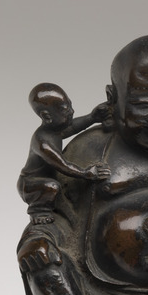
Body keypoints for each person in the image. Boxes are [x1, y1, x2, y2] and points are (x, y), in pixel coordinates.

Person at [17, 83, 110, 224]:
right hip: (31, 184)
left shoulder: (54, 131)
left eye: (70, 106)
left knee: (63, 188)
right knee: (51, 187)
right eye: (64, 110)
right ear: (47, 116)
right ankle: (38, 211)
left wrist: (92, 117)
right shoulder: (42, 142)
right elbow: (62, 165)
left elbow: (72, 127)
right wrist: (87, 173)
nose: (72, 111)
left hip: (48, 179)